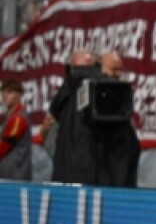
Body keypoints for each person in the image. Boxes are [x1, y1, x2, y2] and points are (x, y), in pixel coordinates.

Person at [49, 50, 140, 187]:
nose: (118, 75)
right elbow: (126, 147)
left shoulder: (64, 97)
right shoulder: (109, 93)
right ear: (98, 65)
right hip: (102, 188)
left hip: (66, 188)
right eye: (115, 70)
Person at [0, 79, 32, 181]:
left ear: (19, 94)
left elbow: (5, 146)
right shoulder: (10, 116)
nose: (5, 95)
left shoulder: (18, 118)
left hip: (15, 175)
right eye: (3, 92)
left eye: (9, 92)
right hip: (10, 174)